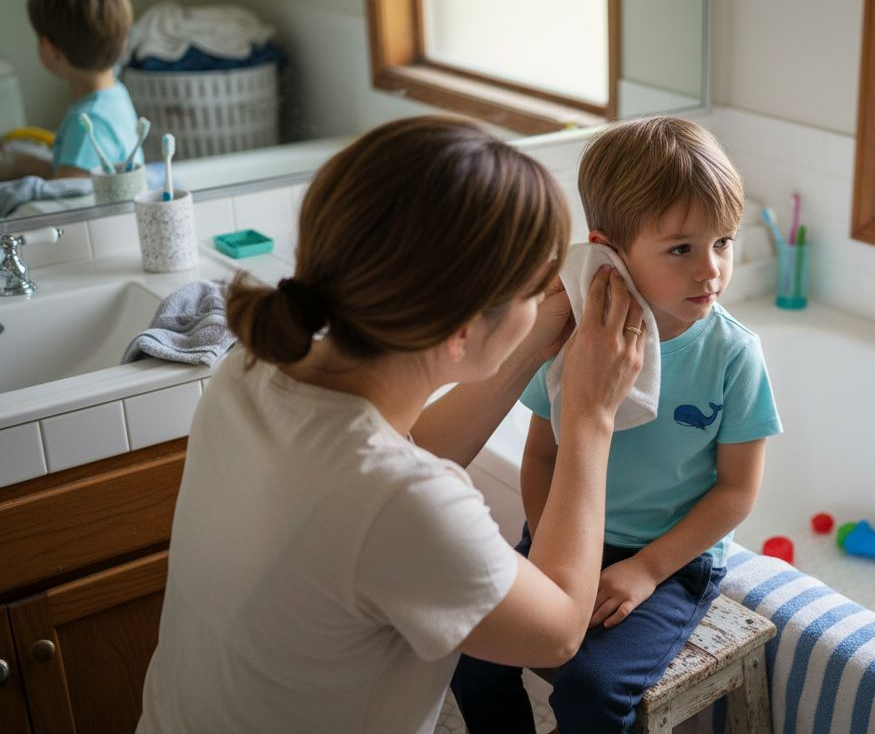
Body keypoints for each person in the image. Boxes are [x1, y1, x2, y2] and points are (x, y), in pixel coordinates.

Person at [136, 116, 646, 734]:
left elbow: (385, 461)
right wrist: (591, 412)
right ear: (461, 330)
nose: (547, 293)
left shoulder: (252, 370)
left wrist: (530, 346)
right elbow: (560, 630)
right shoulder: (406, 503)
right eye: (535, 285)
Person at [451, 116, 783, 732]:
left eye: (723, 242)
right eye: (681, 248)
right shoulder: (576, 336)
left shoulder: (733, 354)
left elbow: (738, 490)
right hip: (567, 532)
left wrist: (648, 569)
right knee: (473, 653)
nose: (710, 270)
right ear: (609, 248)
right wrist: (543, 544)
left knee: (593, 690)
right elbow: (543, 458)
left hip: (671, 560)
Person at [9, 0, 142, 180]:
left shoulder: (90, 123)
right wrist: (30, 164)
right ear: (123, 42)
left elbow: (66, 196)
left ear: (51, 50)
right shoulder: (114, 93)